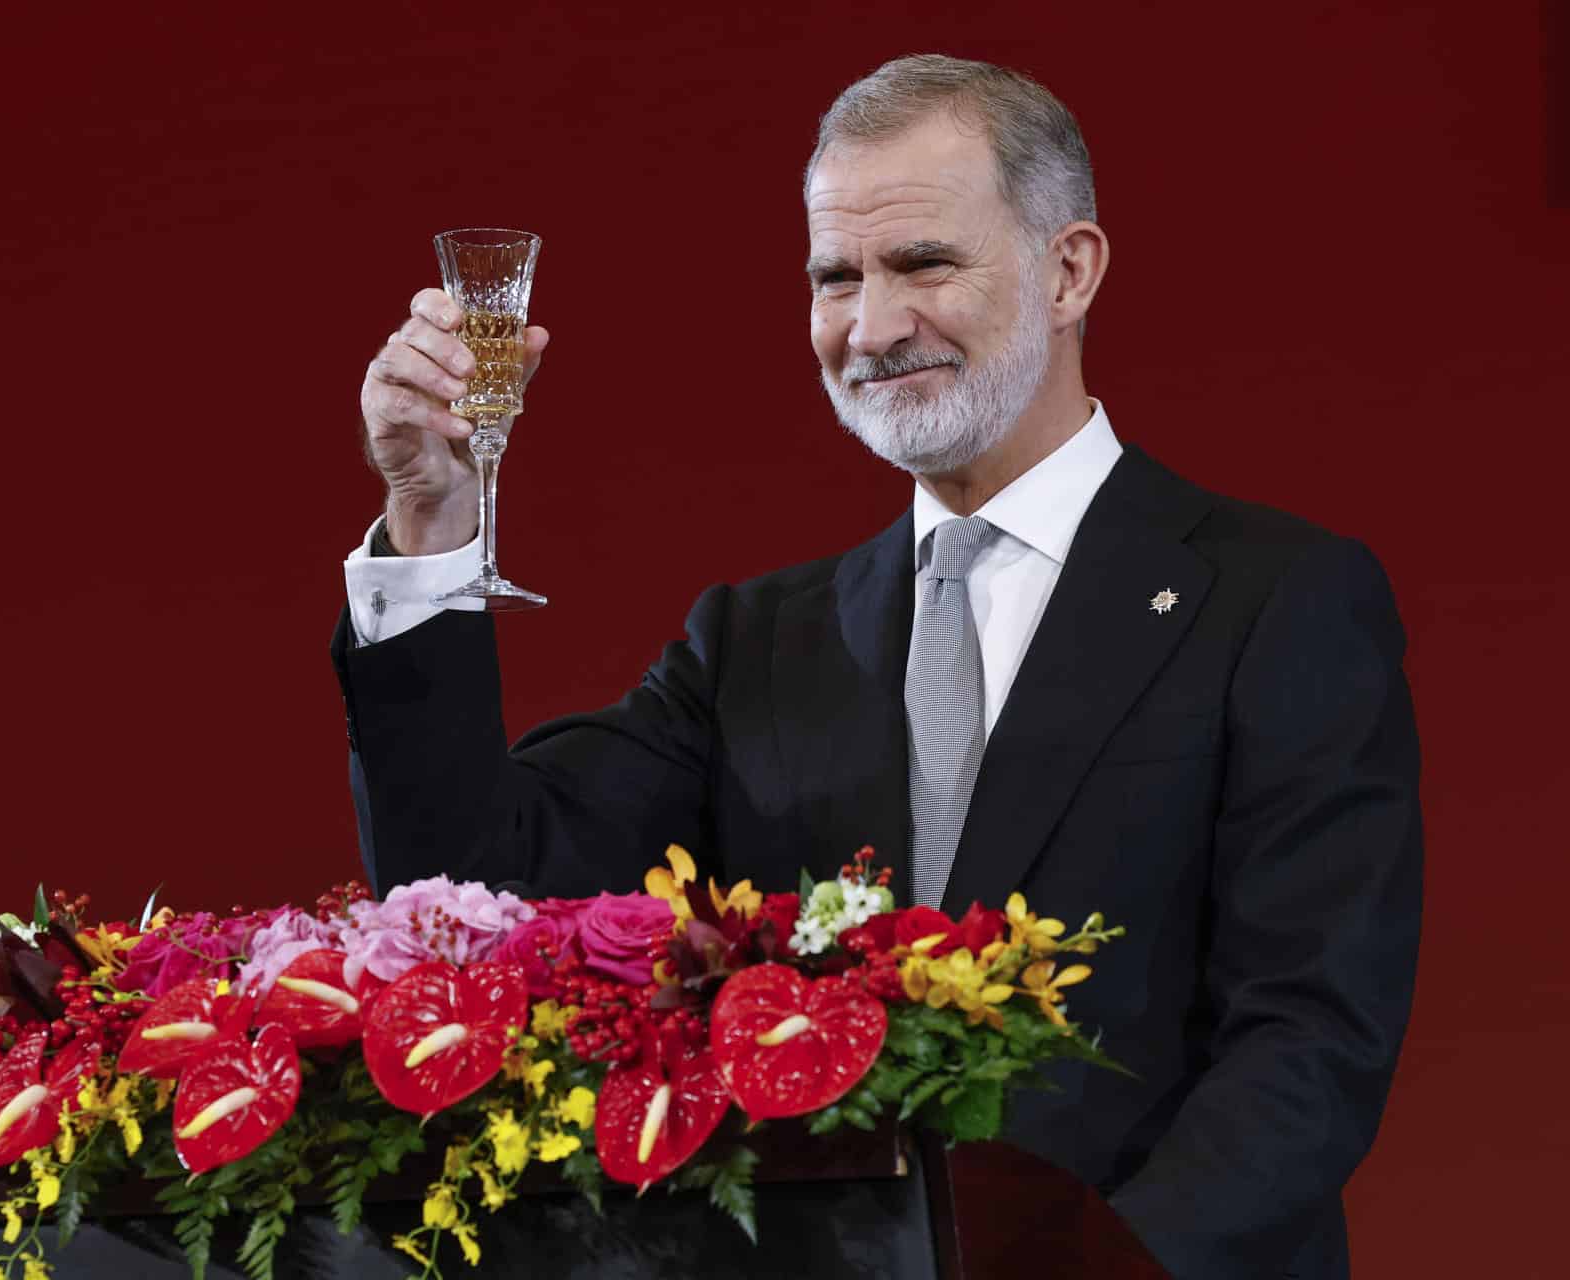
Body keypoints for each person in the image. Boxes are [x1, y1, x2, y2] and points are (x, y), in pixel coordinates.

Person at [333, 55, 1422, 1279]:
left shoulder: (1274, 596)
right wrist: (430, 527)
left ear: (1070, 271)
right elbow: (475, 893)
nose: (872, 325)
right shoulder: (753, 639)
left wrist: (1095, 1266)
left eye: (924, 264)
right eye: (835, 276)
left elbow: (1310, 1040)